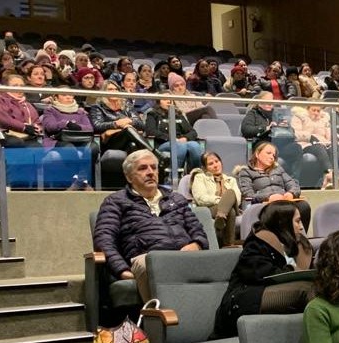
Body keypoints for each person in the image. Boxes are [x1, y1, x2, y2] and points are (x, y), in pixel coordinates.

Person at [93, 150, 208, 302]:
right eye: (142, 168)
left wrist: (197, 244)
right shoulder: (116, 202)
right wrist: (122, 271)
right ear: (129, 177)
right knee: (148, 263)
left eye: (154, 168)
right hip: (148, 259)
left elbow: (198, 230)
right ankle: (159, 318)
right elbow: (103, 240)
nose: (150, 172)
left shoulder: (176, 199)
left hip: (183, 255)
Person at [211, 200, 314, 339]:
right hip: (245, 300)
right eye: (297, 221)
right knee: (306, 290)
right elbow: (258, 274)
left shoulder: (301, 247)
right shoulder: (257, 244)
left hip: (275, 296)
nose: (301, 227)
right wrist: (290, 269)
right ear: (282, 223)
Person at [236, 141, 312, 231]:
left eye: (273, 155)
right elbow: (248, 194)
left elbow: (293, 184)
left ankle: (299, 236)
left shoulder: (278, 169)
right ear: (257, 154)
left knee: (304, 206)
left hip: (283, 201)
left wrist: (291, 193)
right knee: (281, 210)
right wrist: (269, 197)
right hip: (264, 204)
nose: (272, 157)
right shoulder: (246, 172)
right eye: (268, 153)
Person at [39, 89, 94, 190]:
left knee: (94, 148)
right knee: (69, 149)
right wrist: (66, 123)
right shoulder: (50, 110)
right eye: (64, 95)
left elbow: (89, 128)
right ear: (56, 97)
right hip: (58, 141)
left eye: (70, 95)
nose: (68, 97)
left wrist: (78, 127)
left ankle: (79, 181)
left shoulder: (80, 111)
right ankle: (80, 182)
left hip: (79, 140)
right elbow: (50, 126)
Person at [241, 92, 301, 177]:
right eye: (267, 101)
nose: (270, 103)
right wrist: (266, 128)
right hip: (262, 143)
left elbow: (291, 132)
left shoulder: (276, 114)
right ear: (259, 102)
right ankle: (269, 179)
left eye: (271, 101)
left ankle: (294, 178)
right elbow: (246, 130)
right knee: (269, 150)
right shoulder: (253, 113)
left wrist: (285, 127)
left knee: (296, 148)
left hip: (279, 145)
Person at [190, 152, 240, 247]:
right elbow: (201, 198)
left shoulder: (231, 180)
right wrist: (221, 201)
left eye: (217, 161)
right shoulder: (200, 178)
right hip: (210, 209)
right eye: (210, 164)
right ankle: (229, 244)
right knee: (231, 211)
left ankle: (221, 216)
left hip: (231, 206)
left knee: (230, 192)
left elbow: (237, 198)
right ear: (204, 168)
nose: (215, 165)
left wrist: (226, 201)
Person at [143, 93, 205, 171]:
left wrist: (185, 138)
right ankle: (173, 176)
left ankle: (194, 174)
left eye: (170, 100)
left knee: (195, 146)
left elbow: (193, 132)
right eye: (165, 99)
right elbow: (150, 131)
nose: (168, 101)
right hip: (162, 143)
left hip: (181, 141)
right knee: (180, 146)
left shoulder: (178, 115)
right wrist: (172, 139)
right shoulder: (153, 114)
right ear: (159, 102)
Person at [0, 74, 43, 148]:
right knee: (16, 143)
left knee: (37, 147)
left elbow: (36, 121)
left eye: (21, 86)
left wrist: (37, 128)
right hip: (3, 135)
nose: (19, 88)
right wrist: (24, 127)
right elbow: (3, 119)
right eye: (15, 86)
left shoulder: (27, 104)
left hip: (26, 137)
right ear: (7, 88)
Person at [290, 104, 337, 188]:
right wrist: (310, 135)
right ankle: (330, 176)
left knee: (334, 149)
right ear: (307, 109)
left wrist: (330, 140)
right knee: (319, 148)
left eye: (318, 111)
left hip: (323, 144)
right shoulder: (299, 117)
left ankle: (325, 181)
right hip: (305, 144)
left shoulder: (324, 119)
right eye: (313, 110)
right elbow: (295, 134)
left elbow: (329, 136)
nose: (316, 113)